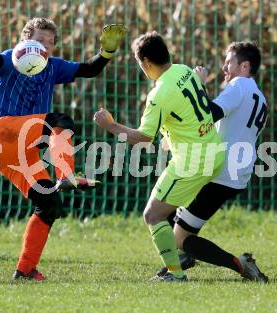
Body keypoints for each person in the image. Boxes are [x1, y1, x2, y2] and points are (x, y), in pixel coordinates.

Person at [0, 18, 126, 281]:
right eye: (40, 40)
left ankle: (25, 270)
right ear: (25, 41)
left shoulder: (52, 66)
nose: (45, 46)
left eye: (50, 42)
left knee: (48, 205)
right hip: (0, 133)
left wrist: (107, 52)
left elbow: (88, 70)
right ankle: (65, 174)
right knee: (60, 121)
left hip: (20, 151)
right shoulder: (15, 57)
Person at [94, 31, 224, 282]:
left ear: (145, 63)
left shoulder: (159, 94)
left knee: (153, 215)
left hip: (192, 162)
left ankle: (176, 273)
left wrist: (110, 125)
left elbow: (143, 138)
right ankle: (181, 252)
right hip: (213, 152)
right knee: (168, 211)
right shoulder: (185, 70)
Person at [158, 41, 269, 282]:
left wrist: (198, 84)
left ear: (245, 66)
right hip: (232, 174)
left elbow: (207, 113)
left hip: (219, 172)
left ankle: (241, 265)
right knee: (167, 203)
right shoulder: (259, 96)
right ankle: (183, 257)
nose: (224, 67)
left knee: (177, 232)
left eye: (229, 62)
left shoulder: (238, 86)